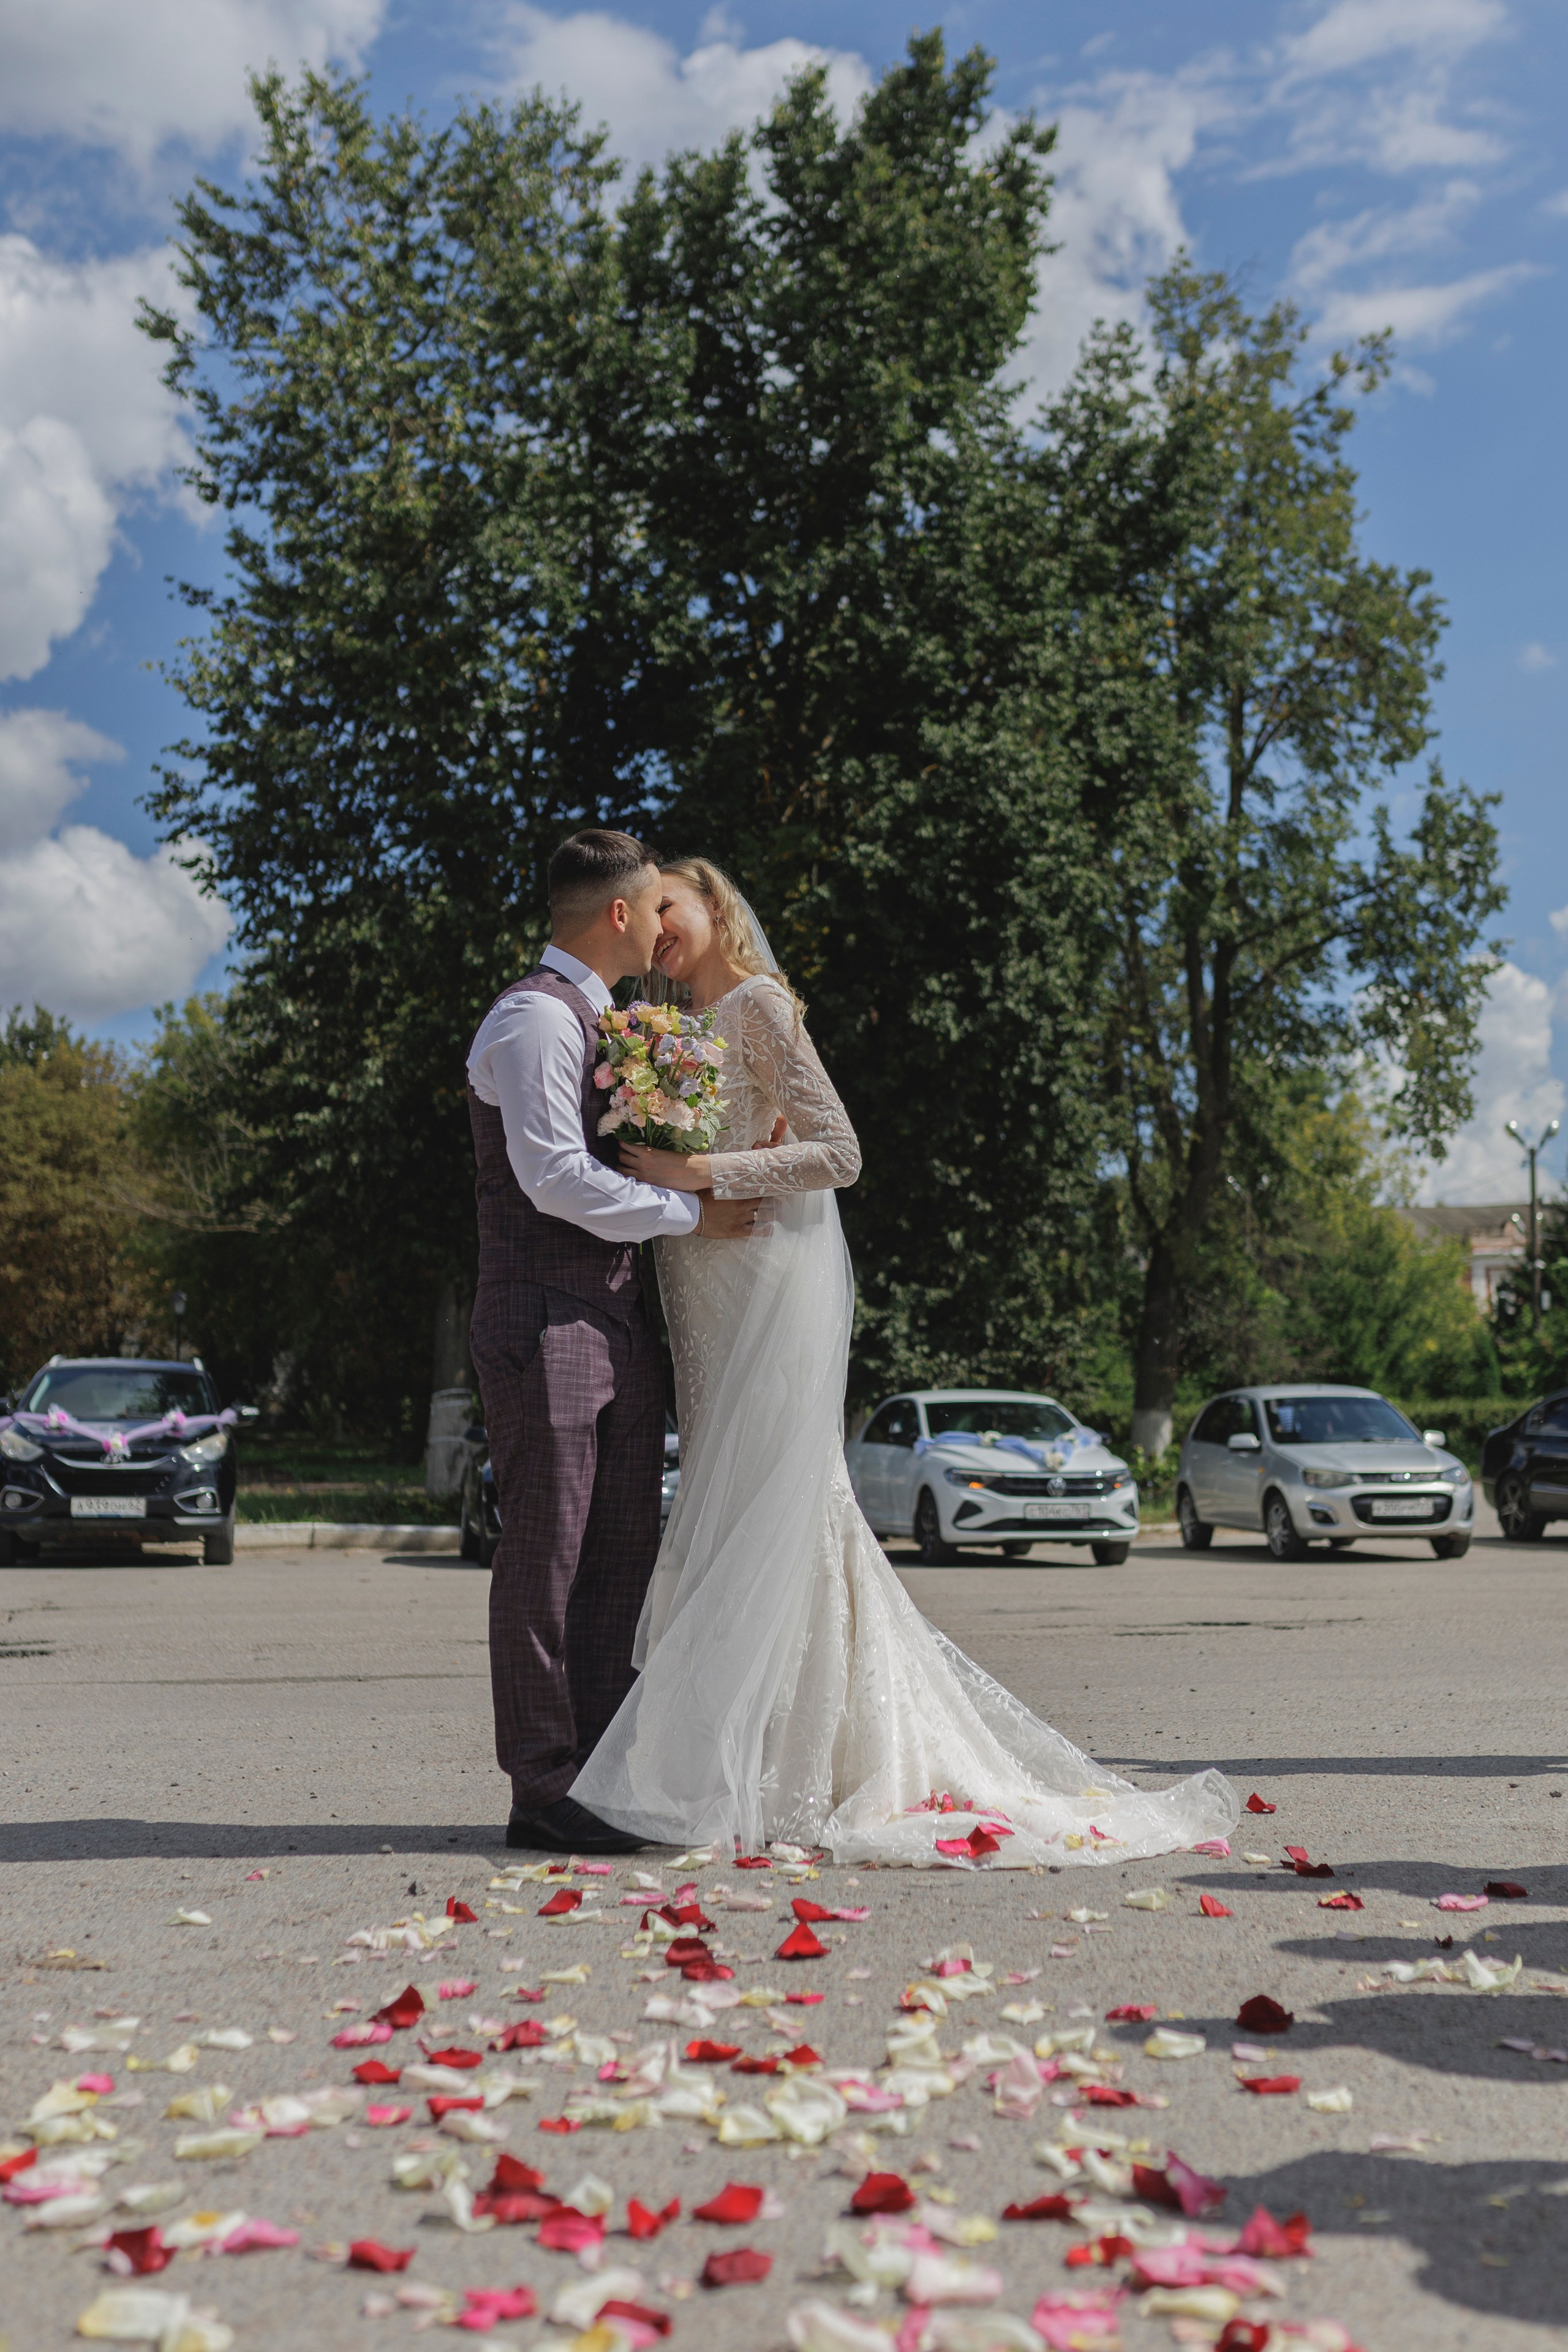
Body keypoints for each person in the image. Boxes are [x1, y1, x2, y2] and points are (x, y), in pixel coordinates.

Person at [572, 859, 1239, 1866]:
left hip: (756, 1278)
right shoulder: (652, 1031)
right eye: (650, 910)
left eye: (674, 905)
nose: (660, 926)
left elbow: (839, 1151)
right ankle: (738, 1761)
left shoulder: (758, 1006)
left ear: (714, 905)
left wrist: (702, 1170)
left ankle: (800, 1767)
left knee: (781, 1503)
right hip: (693, 1289)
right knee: (724, 1497)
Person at [466, 830, 760, 1855]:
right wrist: (694, 1216)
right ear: (621, 916)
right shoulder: (534, 1021)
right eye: (654, 907)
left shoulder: (611, 1021)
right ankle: (542, 1787)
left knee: (618, 1552)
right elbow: (552, 1176)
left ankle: (598, 1770)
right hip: (545, 1312)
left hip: (615, 1317)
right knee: (547, 1554)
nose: (663, 925)